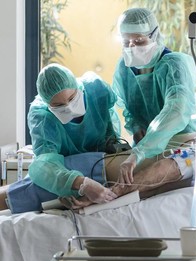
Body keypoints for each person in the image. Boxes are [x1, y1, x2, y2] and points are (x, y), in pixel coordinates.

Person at [113, 8, 196, 187]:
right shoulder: (124, 68)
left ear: (155, 35)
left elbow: (176, 111)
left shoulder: (173, 65)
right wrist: (136, 127)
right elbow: (127, 106)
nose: (132, 47)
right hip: (146, 145)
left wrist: (139, 152)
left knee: (158, 176)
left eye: (139, 40)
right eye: (127, 42)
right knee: (130, 181)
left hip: (180, 139)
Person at [0, 64, 121, 213]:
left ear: (79, 87)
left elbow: (109, 122)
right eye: (58, 105)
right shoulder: (42, 117)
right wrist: (78, 183)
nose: (69, 107)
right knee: (29, 192)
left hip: (104, 159)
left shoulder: (96, 90)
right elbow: (43, 166)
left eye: (72, 98)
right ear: (47, 104)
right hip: (66, 168)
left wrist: (113, 146)